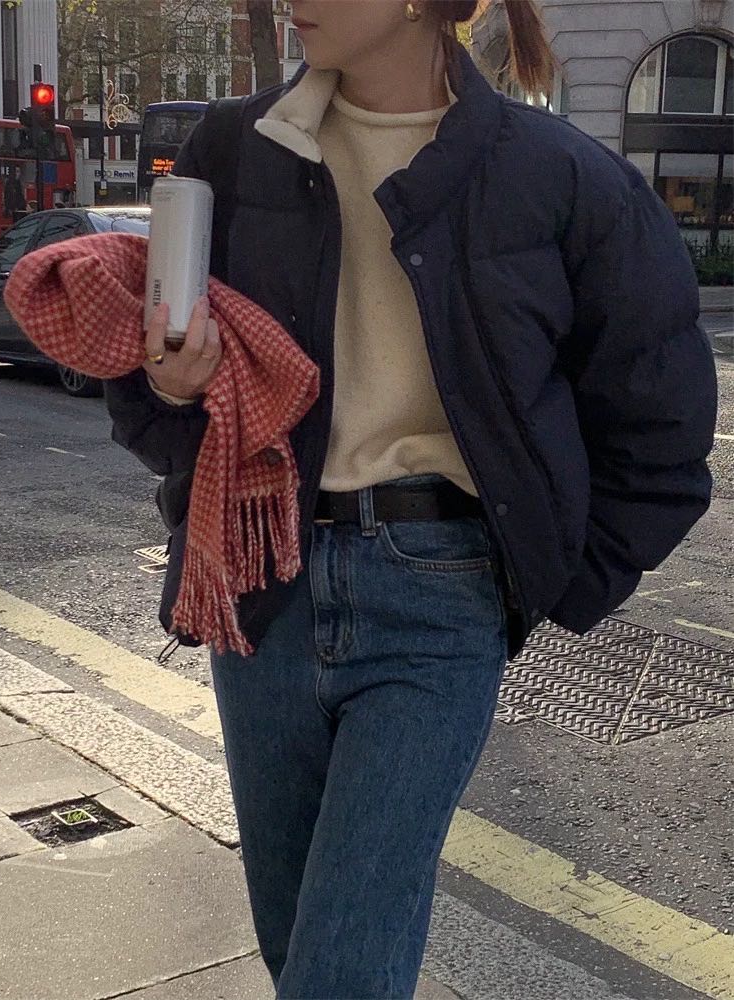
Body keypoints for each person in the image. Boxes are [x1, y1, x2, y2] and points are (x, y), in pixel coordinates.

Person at [104, 1, 717, 996]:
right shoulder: (234, 150)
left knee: (343, 967)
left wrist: (551, 580)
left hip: (439, 598)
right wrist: (169, 387)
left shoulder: (558, 175)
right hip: (259, 582)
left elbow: (658, 417)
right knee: (297, 942)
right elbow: (155, 406)